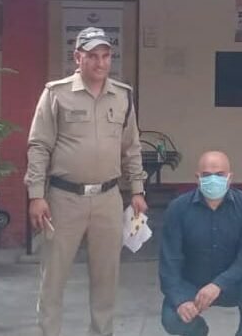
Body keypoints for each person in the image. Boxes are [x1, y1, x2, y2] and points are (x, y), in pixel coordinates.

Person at [24, 27, 148, 336]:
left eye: (106, 56)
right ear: (77, 57)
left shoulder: (123, 96)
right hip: (64, 199)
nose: (100, 63)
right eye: (92, 56)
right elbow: (39, 145)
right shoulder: (56, 93)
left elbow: (131, 146)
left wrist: (137, 190)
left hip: (108, 198)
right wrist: (36, 195)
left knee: (106, 278)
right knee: (54, 277)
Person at [159, 151, 242, 336]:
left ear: (230, 177)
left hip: (231, 283)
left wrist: (218, 284)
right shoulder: (178, 208)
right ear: (198, 178)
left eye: (220, 174)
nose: (213, 179)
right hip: (191, 285)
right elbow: (170, 261)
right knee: (171, 319)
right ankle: (198, 331)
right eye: (207, 175)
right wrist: (180, 299)